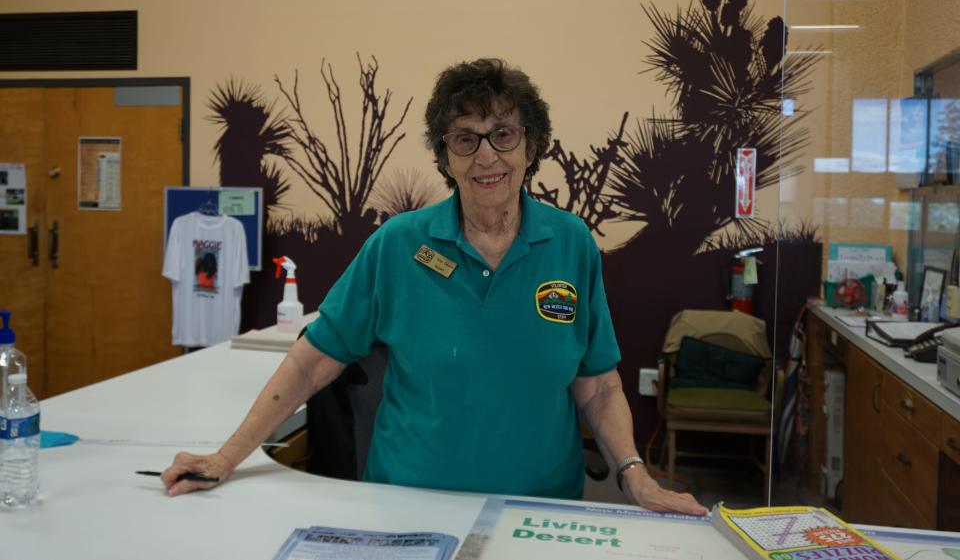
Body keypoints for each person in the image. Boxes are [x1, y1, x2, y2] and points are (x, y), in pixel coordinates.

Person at [162, 58, 707, 516]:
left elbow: (599, 384)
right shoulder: (398, 245)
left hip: (538, 511)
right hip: (407, 507)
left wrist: (634, 475)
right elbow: (312, 360)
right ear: (445, 155)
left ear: (530, 146)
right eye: (465, 139)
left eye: (503, 135)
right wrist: (225, 456)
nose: (486, 156)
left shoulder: (571, 244)